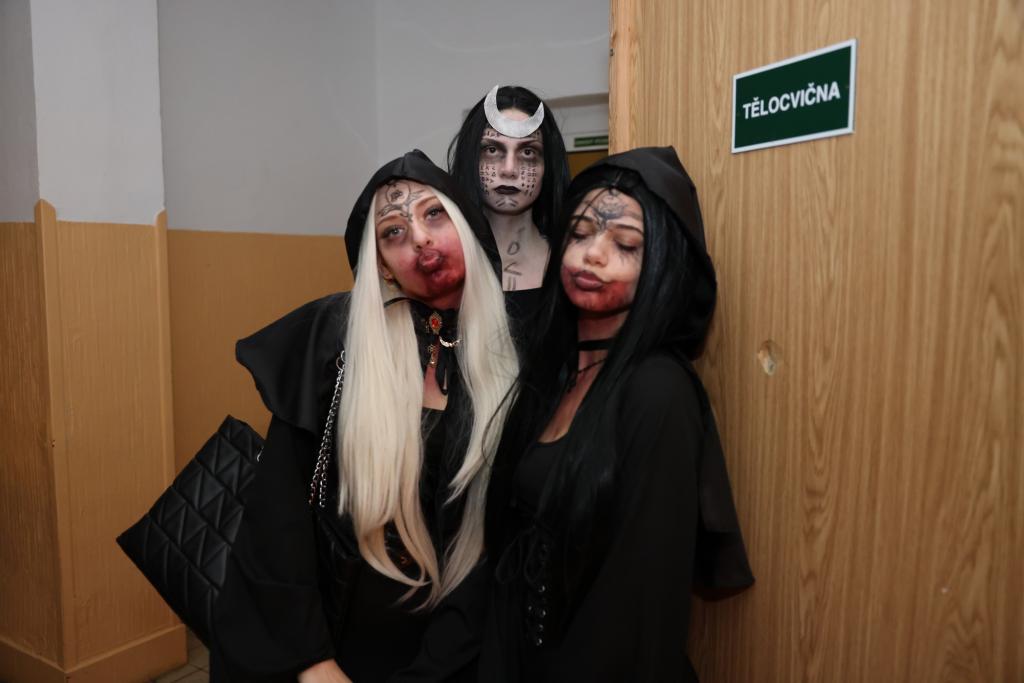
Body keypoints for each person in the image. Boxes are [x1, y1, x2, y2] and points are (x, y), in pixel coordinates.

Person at [209, 150, 519, 682]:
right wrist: (312, 661)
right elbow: (277, 516)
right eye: (393, 232)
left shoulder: (515, 357)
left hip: (452, 650)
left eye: (434, 214)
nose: (419, 239)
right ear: (380, 264)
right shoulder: (334, 340)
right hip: (336, 642)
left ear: (468, 227)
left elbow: (498, 546)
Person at [479, 147, 755, 682]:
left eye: (625, 244)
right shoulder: (554, 375)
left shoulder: (658, 390)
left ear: (661, 267)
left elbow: (643, 607)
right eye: (580, 234)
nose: (592, 255)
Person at [447, 85, 569, 301]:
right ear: (471, 160)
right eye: (492, 150)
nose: (509, 170)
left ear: (547, 166)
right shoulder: (442, 264)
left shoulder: (573, 264)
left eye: (528, 152)